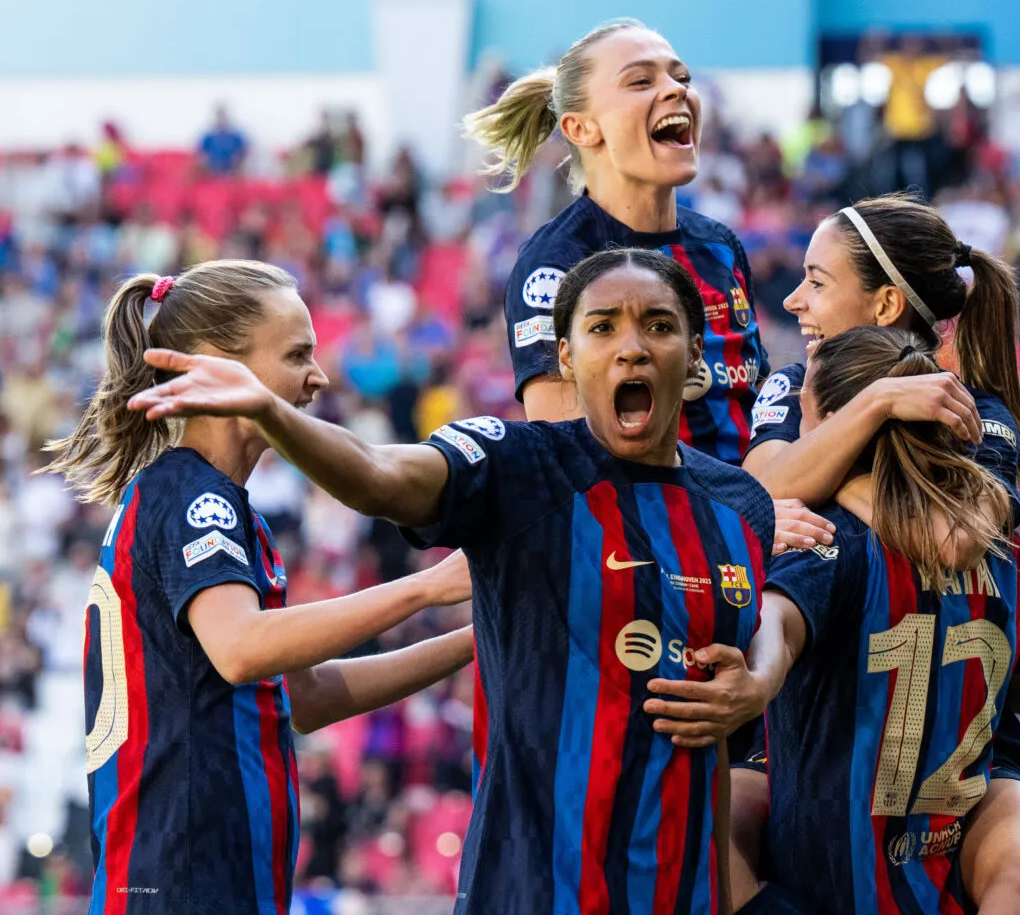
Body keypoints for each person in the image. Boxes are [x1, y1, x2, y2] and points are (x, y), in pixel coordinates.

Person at [127, 248, 776, 915]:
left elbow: (307, 696)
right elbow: (374, 476)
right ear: (563, 356)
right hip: (514, 896)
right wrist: (423, 589)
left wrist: (497, 625)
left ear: (695, 354)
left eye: (659, 326)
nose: (632, 348)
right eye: (603, 326)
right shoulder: (518, 465)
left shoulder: (743, 509)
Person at [42, 261, 475, 913]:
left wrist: (479, 637)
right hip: (182, 882)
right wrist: (423, 589)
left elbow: (307, 695)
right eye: (297, 354)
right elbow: (242, 647)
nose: (318, 376)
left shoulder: (225, 508)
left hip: (209, 880)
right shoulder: (194, 497)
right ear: (220, 365)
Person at [648, 327, 1020, 914]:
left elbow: (778, 621)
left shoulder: (822, 536)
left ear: (843, 427)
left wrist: (756, 681)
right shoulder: (1005, 551)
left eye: (807, 418)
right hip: (948, 858)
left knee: (695, 834)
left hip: (832, 874)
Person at [735, 194, 1020, 913]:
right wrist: (877, 407)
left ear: (885, 303)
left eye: (817, 281)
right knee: (701, 829)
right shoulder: (793, 383)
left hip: (957, 741)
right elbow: (759, 491)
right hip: (816, 712)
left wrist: (842, 466)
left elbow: (952, 539)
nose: (793, 299)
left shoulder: (977, 409)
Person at [465, 18, 765, 464]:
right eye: (641, 81)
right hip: (661, 509)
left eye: (682, 78)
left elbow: (758, 409)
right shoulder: (555, 262)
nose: (676, 89)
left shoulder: (721, 246)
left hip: (756, 502)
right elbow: (569, 447)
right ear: (581, 129)